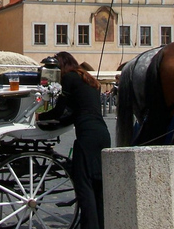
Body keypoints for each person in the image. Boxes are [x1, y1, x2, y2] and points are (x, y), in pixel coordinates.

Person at [37, 52, 110, 229]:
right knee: (98, 185)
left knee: (83, 184)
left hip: (87, 136)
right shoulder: (87, 79)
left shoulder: (69, 78)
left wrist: (40, 117)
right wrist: (55, 123)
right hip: (102, 134)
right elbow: (75, 113)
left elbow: (60, 109)